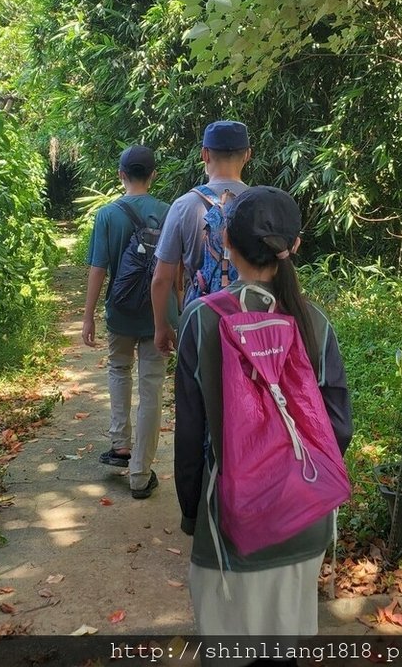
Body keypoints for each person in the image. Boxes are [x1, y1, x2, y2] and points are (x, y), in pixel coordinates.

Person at [174, 186, 352, 655]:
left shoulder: (200, 320)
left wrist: (193, 515)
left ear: (225, 240)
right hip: (305, 520)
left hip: (231, 525)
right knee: (284, 649)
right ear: (292, 246)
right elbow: (338, 426)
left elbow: (190, 438)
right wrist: (301, 488)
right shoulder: (314, 321)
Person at [81, 145, 175, 499]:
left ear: (121, 174)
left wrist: (88, 316)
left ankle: (120, 444)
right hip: (157, 316)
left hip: (120, 312)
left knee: (119, 370)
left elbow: (98, 268)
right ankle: (140, 473)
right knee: (151, 388)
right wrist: (174, 316)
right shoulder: (169, 212)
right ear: (153, 175)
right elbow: (176, 271)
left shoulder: (107, 215)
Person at [151, 120, 251, 355]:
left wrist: (161, 326)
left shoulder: (184, 206)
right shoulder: (263, 203)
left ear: (204, 154)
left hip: (199, 319)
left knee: (199, 387)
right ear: (247, 155)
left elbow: (161, 278)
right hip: (251, 321)